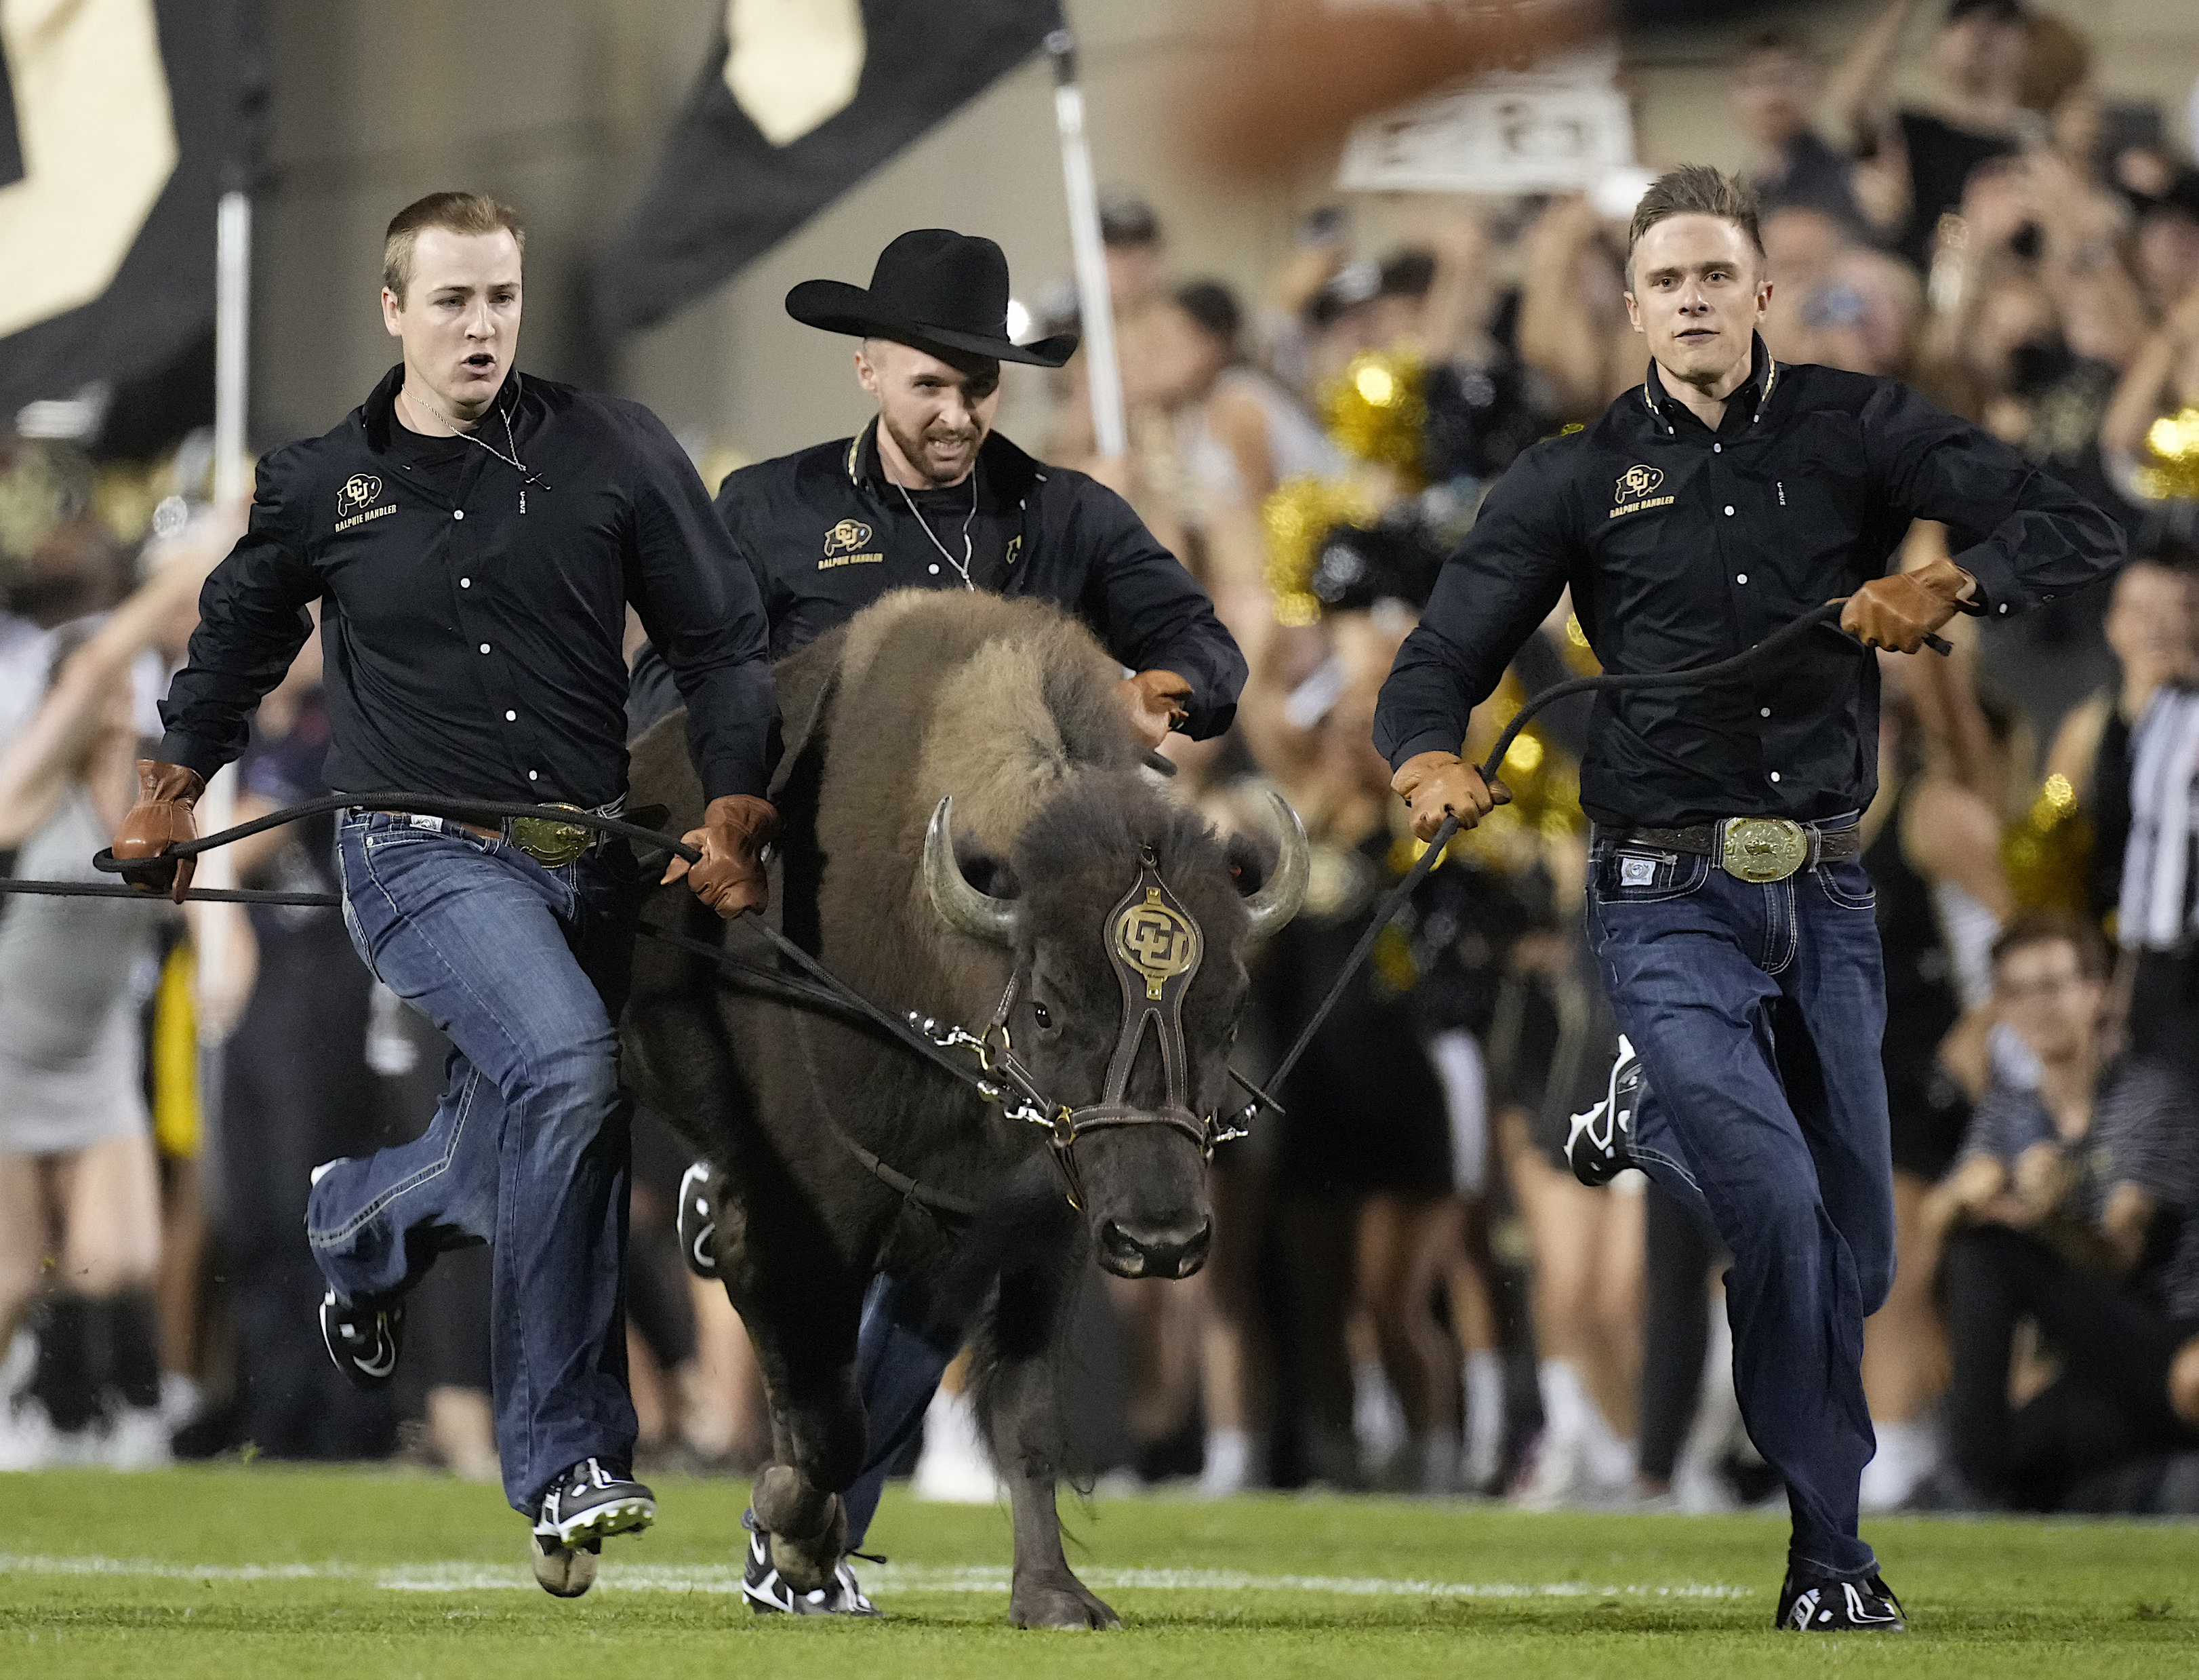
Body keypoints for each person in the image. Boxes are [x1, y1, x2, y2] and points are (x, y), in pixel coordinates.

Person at [1373, 165, 2121, 1629]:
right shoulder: (1572, 477)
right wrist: (1422, 764)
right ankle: (1828, 1557)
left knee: (1855, 1252)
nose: (1694, 301)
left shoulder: (1858, 427)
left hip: (1828, 896)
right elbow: (1435, 662)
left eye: (1717, 276)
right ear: (1635, 307)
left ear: (1760, 292)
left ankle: (1647, 1122)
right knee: (1774, 1205)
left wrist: (1949, 582)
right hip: (1662, 896)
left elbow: (2076, 524)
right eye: (1666, 281)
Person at [111, 191, 778, 1595]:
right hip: (410, 849)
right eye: (455, 301)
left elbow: (720, 643)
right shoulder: (315, 484)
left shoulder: (613, 447)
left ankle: (362, 1225)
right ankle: (563, 1456)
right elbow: (233, 643)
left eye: (503, 300)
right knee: (570, 1069)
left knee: (513, 1143)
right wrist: (174, 792)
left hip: (583, 857)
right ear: (394, 309)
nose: (484, 327)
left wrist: (734, 802)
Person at [650, 227, 1246, 1614]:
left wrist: (1162, 686)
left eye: (977, 387)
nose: (957, 414)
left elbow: (1204, 650)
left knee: (992, 1223)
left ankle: (817, 1524)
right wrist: (702, 805)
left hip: (994, 943)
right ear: (867, 367)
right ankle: (737, 1174)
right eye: (931, 384)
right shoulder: (769, 510)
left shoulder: (1066, 517)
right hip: (803, 927)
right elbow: (689, 681)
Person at [0, 528, 221, 1468]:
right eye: (111, 687)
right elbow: (95, 654)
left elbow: (206, 902)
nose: (128, 697)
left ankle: (61, 1398)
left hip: (92, 1057)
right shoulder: (26, 790)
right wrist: (196, 556)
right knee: (11, 1271)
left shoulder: (154, 799)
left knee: (116, 1255)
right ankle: (27, 1393)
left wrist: (223, 955)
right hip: (8, 1049)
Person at [1929, 913, 2199, 1508]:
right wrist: (1961, 1198)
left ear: (2096, 993)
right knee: (1980, 1249)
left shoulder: (2150, 1098)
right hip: (2092, 1362)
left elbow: (2119, 1259)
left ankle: (1977, 1484)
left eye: (2052, 987)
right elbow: (1934, 1223)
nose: (2036, 1008)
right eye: (2016, 992)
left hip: (2159, 1334)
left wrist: (2045, 1219)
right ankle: (1978, 1478)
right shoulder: (2010, 1109)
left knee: (1994, 1251)